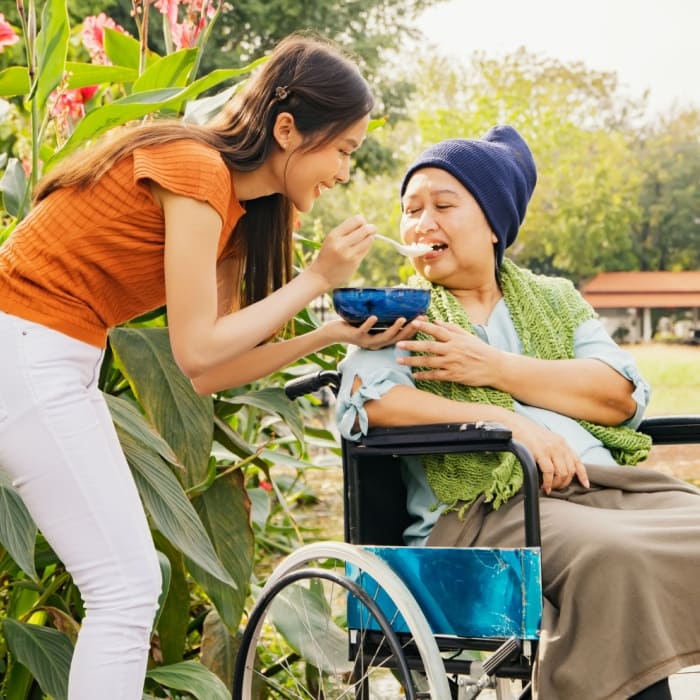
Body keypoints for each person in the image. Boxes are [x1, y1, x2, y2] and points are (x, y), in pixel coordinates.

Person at [0, 33, 413, 700]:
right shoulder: (197, 172)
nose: (343, 172)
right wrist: (315, 279)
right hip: (25, 345)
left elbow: (208, 373)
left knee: (126, 585)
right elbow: (196, 346)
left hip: (49, 355)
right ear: (287, 129)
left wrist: (330, 332)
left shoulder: (234, 216)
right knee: (127, 588)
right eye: (342, 150)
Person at [336, 125, 700, 700]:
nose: (421, 222)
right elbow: (371, 400)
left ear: (493, 224)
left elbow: (618, 396)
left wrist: (492, 367)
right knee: (617, 558)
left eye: (443, 205)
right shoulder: (401, 311)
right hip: (490, 511)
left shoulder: (555, 300)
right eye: (410, 209)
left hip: (603, 488)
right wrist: (510, 422)